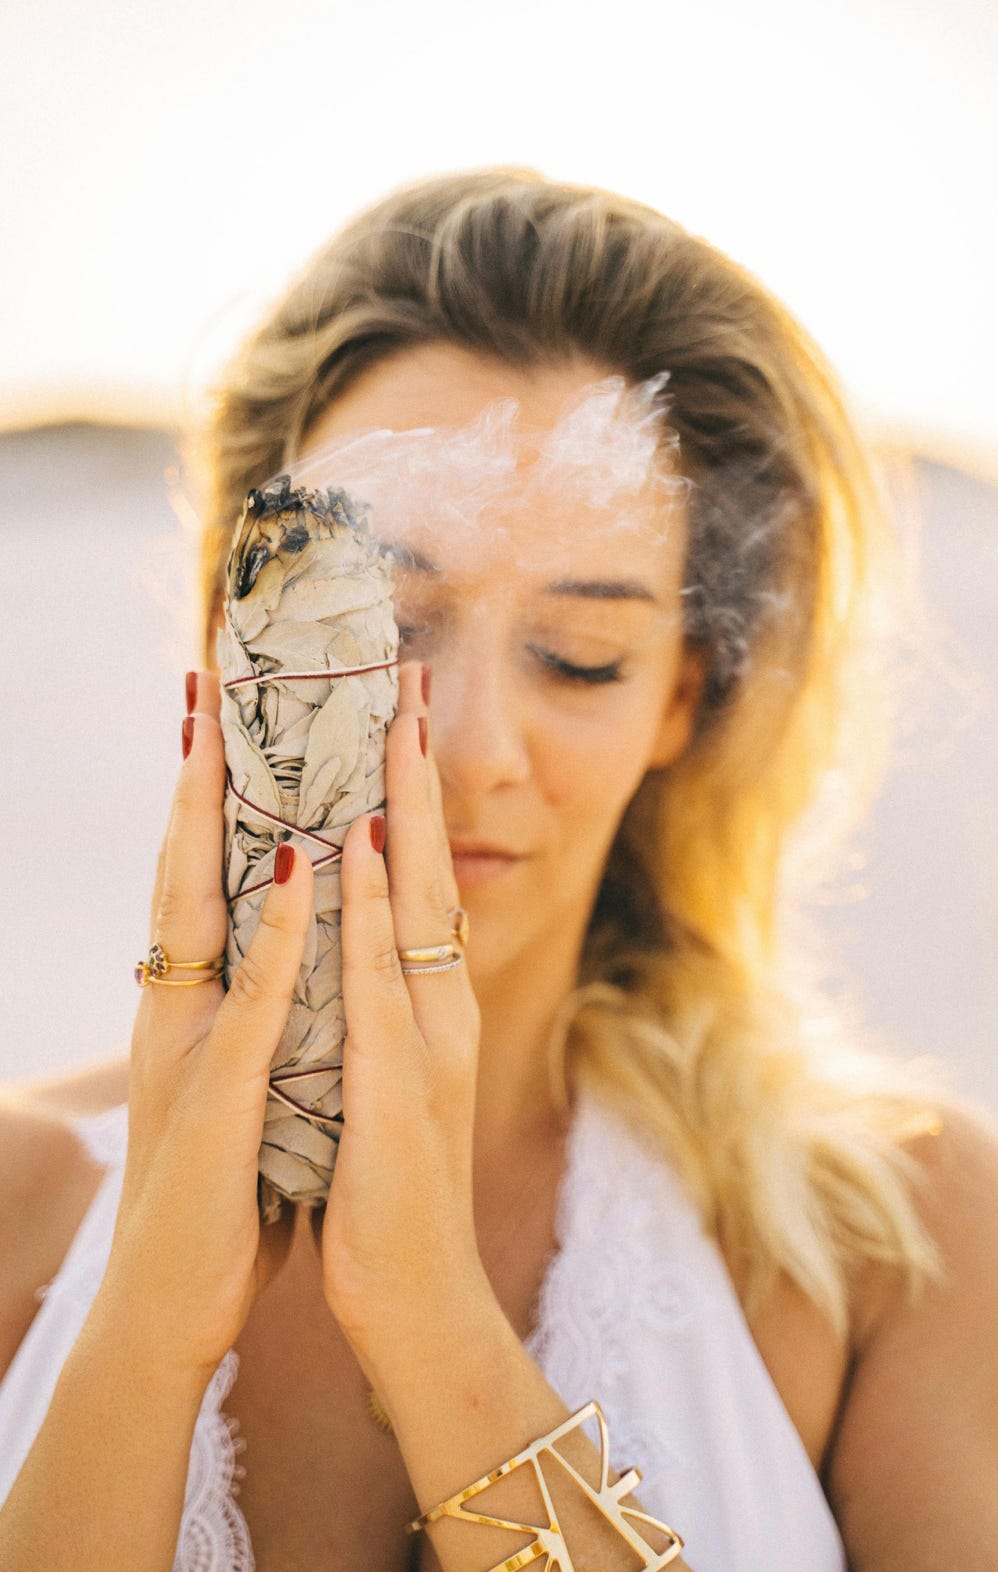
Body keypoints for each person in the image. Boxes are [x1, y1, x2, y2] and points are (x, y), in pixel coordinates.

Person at [1, 166, 997, 1572]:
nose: (468, 751)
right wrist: (145, 1333)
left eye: (578, 658)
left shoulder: (886, 1239)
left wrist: (432, 1325)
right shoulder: (17, 1197)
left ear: (679, 700)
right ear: (240, 626)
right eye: (383, 617)